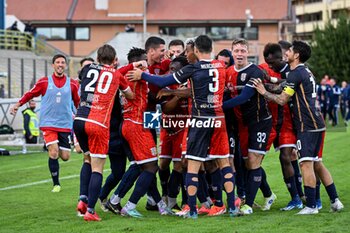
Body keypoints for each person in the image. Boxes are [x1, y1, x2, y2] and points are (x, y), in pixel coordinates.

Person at [127, 35, 239, 219]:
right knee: (224, 163)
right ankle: (232, 207)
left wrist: (142, 75)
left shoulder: (193, 68)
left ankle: (192, 210)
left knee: (192, 165)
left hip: (199, 118)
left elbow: (163, 82)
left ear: (195, 50)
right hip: (219, 118)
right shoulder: (221, 66)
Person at [252, 40, 344, 214]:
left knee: (306, 165)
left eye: (290, 51)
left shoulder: (295, 73)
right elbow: (283, 86)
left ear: (297, 55)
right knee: (318, 164)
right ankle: (335, 200)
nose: (287, 53)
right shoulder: (305, 71)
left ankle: (310, 206)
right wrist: (270, 82)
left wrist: (263, 92)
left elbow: (281, 99)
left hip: (306, 125)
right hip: (318, 123)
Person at [73, 44, 134, 221]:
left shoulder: (86, 68)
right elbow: (129, 95)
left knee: (87, 158)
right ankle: (91, 211)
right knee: (97, 168)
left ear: (98, 58)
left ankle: (82, 199)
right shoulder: (117, 75)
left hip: (79, 120)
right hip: (98, 123)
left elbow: (83, 80)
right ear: (114, 60)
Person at [10, 54, 80, 192]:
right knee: (53, 152)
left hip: (65, 124)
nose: (60, 65)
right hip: (48, 123)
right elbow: (30, 94)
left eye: (62, 62)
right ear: (53, 65)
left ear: (65, 66)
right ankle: (56, 184)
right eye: (57, 62)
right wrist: (17, 104)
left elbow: (77, 101)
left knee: (65, 157)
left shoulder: (72, 83)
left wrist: (81, 115)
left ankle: (57, 149)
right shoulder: (44, 82)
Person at [223, 38, 274, 215]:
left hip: (260, 122)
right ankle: (268, 194)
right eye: (236, 51)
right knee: (248, 163)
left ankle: (248, 205)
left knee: (253, 161)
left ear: (248, 52)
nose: (239, 54)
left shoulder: (255, 72)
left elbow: (244, 97)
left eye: (242, 51)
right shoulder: (228, 71)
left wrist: (217, 108)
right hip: (242, 124)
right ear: (232, 52)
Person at [261, 43, 304, 211]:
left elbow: (283, 84)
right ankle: (298, 196)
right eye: (268, 63)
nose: (270, 66)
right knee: (252, 161)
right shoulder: (264, 67)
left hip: (287, 121)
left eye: (273, 63)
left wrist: (267, 83)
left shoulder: (293, 71)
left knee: (289, 157)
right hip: (268, 122)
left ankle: (299, 196)